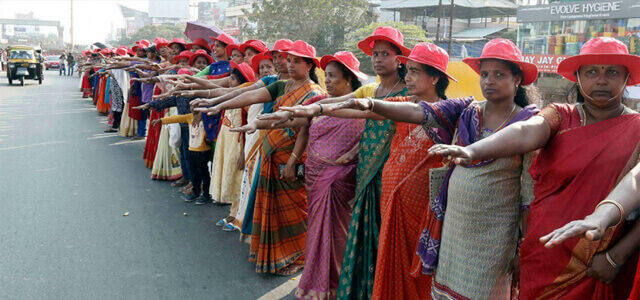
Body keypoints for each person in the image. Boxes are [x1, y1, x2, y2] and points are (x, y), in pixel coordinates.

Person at [435, 37, 640, 299]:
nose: (601, 80)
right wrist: (474, 150)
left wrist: (615, 256)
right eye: (591, 72)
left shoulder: (637, 128)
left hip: (601, 260)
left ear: (626, 78)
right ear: (577, 76)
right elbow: (526, 131)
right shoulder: (560, 115)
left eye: (611, 72)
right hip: (544, 253)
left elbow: (636, 182)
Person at [235, 51, 367, 298]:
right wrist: (258, 123)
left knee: (337, 237)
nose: (327, 81)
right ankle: (316, 282)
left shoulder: (360, 108)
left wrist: (298, 162)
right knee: (317, 233)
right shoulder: (319, 104)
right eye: (326, 75)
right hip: (316, 181)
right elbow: (291, 117)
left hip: (340, 186)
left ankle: (337, 285)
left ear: (349, 79)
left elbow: (362, 150)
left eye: (333, 76)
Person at [195, 40, 325, 275]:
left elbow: (302, 126)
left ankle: (299, 256)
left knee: (295, 211)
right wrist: (216, 104)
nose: (291, 64)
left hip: (292, 160)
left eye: (297, 61)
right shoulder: (283, 86)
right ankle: (276, 255)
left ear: (310, 66)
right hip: (271, 153)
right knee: (271, 209)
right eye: (290, 60)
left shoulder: (315, 94)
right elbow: (250, 96)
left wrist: (292, 159)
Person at [208, 62, 255, 231]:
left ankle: (237, 216)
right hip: (225, 143)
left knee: (238, 180)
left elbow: (246, 129)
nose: (229, 82)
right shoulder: (229, 98)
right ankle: (232, 213)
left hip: (238, 145)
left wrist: (244, 153)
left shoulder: (246, 102)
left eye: (233, 79)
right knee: (230, 177)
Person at [153, 109, 213, 205]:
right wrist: (161, 120)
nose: (192, 108)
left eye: (196, 105)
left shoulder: (207, 117)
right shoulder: (189, 117)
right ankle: (195, 192)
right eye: (191, 106)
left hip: (203, 151)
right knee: (194, 173)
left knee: (204, 173)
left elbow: (213, 127)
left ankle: (206, 195)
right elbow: (176, 118)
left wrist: (210, 137)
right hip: (192, 149)